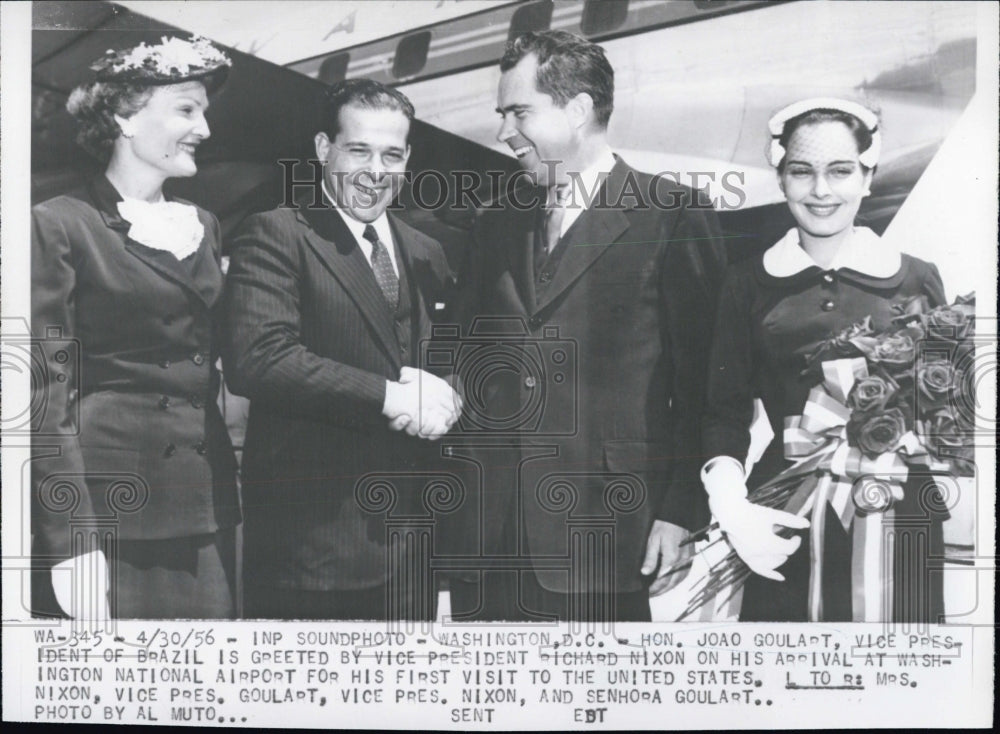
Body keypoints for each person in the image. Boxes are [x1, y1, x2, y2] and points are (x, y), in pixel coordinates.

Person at [451, 31, 726, 622]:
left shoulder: (674, 215)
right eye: (503, 114)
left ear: (577, 110)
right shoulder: (497, 223)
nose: (503, 132)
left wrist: (682, 509)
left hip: (606, 535)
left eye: (519, 112)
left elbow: (708, 387)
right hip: (493, 540)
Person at [701, 98, 948, 622]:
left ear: (868, 176)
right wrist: (732, 507)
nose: (820, 190)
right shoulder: (747, 283)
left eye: (840, 171)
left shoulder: (916, 278)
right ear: (781, 179)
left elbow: (944, 409)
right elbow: (721, 413)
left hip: (898, 509)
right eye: (801, 171)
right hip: (782, 514)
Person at [222, 79, 460, 620]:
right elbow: (259, 358)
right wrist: (388, 397)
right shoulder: (278, 234)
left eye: (392, 155)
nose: (376, 170)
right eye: (359, 150)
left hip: (411, 547)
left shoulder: (428, 251)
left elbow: (448, 363)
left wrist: (453, 397)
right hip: (313, 548)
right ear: (324, 149)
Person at [31, 36, 240, 619]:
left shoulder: (202, 224)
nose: (204, 129)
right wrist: (71, 539)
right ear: (124, 114)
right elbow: (42, 397)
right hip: (116, 516)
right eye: (185, 109)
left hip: (207, 504)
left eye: (204, 112)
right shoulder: (60, 225)